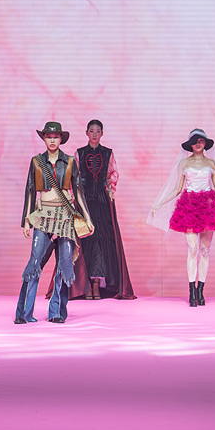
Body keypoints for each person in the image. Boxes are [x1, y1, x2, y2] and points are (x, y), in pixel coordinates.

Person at [148, 128, 215, 307]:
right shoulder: (184, 163)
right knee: (192, 249)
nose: (198, 143)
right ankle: (192, 292)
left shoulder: (211, 163)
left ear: (205, 143)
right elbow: (177, 188)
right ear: (190, 144)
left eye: (201, 140)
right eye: (195, 141)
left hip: (208, 207)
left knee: (204, 249)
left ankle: (200, 290)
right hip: (189, 207)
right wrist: (159, 202)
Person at [17, 121, 92, 324]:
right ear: (44, 138)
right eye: (49, 137)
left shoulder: (69, 162)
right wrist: (26, 221)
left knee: (64, 264)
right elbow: (30, 191)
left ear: (61, 139)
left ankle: (57, 312)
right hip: (43, 215)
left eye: (56, 137)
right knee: (34, 263)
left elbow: (78, 191)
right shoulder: (36, 162)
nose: (52, 140)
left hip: (65, 215)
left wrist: (87, 217)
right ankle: (23, 314)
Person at [72, 119, 135, 300]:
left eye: (97, 131)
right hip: (84, 202)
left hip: (101, 201)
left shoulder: (108, 153)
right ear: (86, 133)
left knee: (101, 241)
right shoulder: (79, 153)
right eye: (91, 130)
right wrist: (76, 197)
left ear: (102, 133)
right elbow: (73, 176)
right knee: (85, 241)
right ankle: (85, 285)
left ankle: (96, 285)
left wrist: (110, 189)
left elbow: (113, 173)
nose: (94, 134)